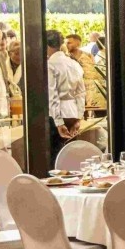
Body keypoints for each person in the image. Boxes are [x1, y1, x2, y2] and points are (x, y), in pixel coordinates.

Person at [46, 29, 86, 158]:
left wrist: (58, 122)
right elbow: (81, 93)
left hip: (56, 115)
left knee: (56, 158)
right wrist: (79, 117)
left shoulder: (50, 65)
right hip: (72, 113)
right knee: (70, 156)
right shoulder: (74, 63)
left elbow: (52, 96)